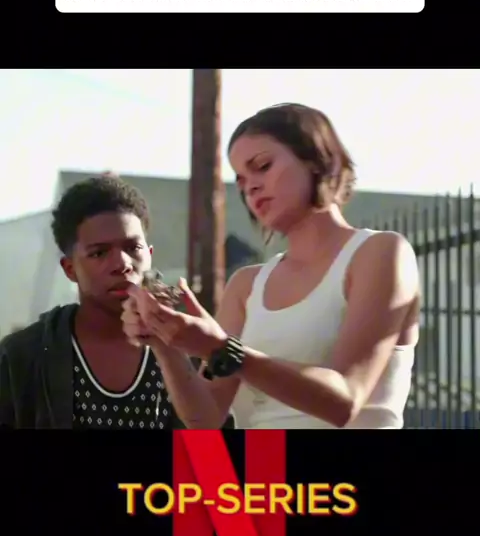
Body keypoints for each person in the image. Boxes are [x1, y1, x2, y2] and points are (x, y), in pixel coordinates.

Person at [122, 103, 420, 430]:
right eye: (241, 179)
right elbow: (206, 419)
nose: (250, 186)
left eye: (262, 166)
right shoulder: (246, 285)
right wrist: (165, 341)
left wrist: (223, 350)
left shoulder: (379, 252)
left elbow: (345, 400)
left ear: (318, 159)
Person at [0, 174, 196, 430]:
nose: (122, 264)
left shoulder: (189, 347)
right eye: (99, 253)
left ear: (149, 254)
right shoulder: (22, 358)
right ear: (70, 269)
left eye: (133, 248)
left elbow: (216, 452)